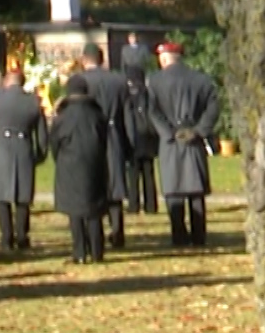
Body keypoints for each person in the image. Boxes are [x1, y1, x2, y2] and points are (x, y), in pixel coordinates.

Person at [148, 41, 220, 247]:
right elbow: (213, 107)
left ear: (163, 59)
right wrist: (199, 130)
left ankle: (178, 235)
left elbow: (151, 110)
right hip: (193, 137)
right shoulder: (201, 80)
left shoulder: (154, 81)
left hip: (169, 141)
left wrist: (168, 132)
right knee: (195, 189)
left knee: (174, 189)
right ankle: (199, 236)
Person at [68, 44, 133, 249]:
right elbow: (128, 115)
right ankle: (117, 230)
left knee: (90, 182)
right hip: (113, 133)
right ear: (102, 59)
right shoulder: (119, 81)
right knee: (114, 184)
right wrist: (129, 144)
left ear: (84, 59)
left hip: (89, 136)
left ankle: (92, 233)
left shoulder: (79, 82)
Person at [0, 69, 47, 251]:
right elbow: (42, 136)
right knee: (23, 196)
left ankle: (6, 237)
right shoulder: (33, 101)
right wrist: (39, 156)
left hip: (0, 149)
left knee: (2, 195)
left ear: (6, 81)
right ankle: (22, 235)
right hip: (23, 146)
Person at [50, 78, 110, 263]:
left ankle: (80, 252)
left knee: (74, 209)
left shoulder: (63, 117)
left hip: (70, 163)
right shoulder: (97, 113)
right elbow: (105, 138)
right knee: (94, 208)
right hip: (95, 162)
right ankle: (97, 251)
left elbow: (54, 143)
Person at [124, 67, 160, 214]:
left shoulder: (128, 96)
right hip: (148, 138)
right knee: (149, 174)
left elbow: (127, 116)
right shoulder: (148, 94)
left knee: (133, 175)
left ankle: (134, 205)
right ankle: (151, 205)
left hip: (134, 137)